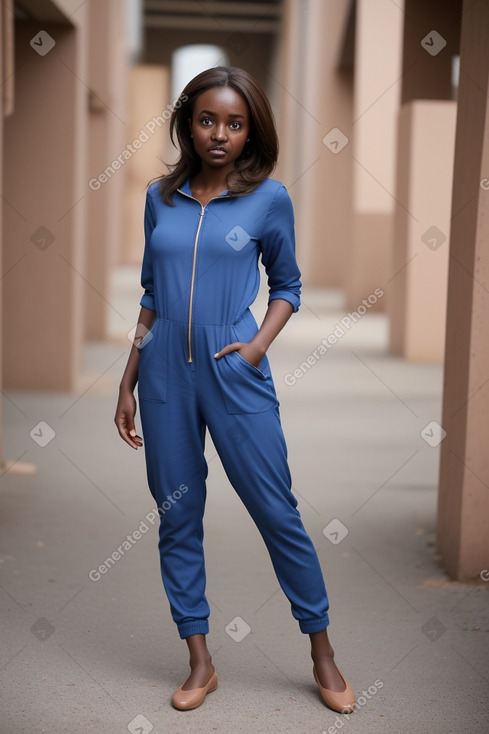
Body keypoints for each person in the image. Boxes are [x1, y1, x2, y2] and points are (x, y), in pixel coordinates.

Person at [114, 66, 355, 714]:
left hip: (233, 365)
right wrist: (128, 378)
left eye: (234, 123)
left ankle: (321, 649)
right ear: (188, 124)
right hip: (163, 368)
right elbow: (151, 295)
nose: (219, 134)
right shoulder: (158, 198)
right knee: (176, 516)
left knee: (277, 512)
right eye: (207, 120)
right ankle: (199, 659)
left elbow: (288, 286)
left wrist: (254, 347)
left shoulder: (268, 199)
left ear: (251, 132)